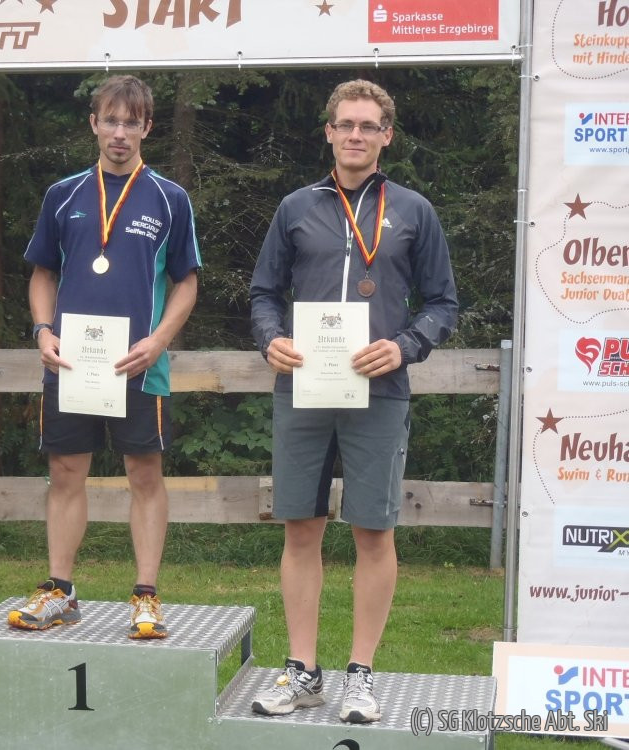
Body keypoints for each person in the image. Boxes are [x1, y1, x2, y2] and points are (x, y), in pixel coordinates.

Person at [249, 79, 458, 723]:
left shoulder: (415, 211)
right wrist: (271, 338)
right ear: (329, 132)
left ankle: (360, 676)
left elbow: (443, 303)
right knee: (300, 528)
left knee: (374, 530)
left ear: (386, 136)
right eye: (346, 124)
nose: (356, 135)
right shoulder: (296, 207)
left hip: (380, 389)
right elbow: (262, 293)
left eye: (369, 126)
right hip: (304, 387)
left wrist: (406, 345)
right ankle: (303, 672)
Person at [9, 75, 201, 639]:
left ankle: (146, 595)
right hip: (71, 363)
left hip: (139, 365)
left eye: (131, 122)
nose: (120, 133)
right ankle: (60, 590)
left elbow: (186, 282)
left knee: (144, 473)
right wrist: (43, 330)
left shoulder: (170, 198)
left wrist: (159, 340)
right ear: (94, 124)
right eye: (110, 121)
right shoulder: (63, 194)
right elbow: (43, 273)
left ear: (147, 127)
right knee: (66, 472)